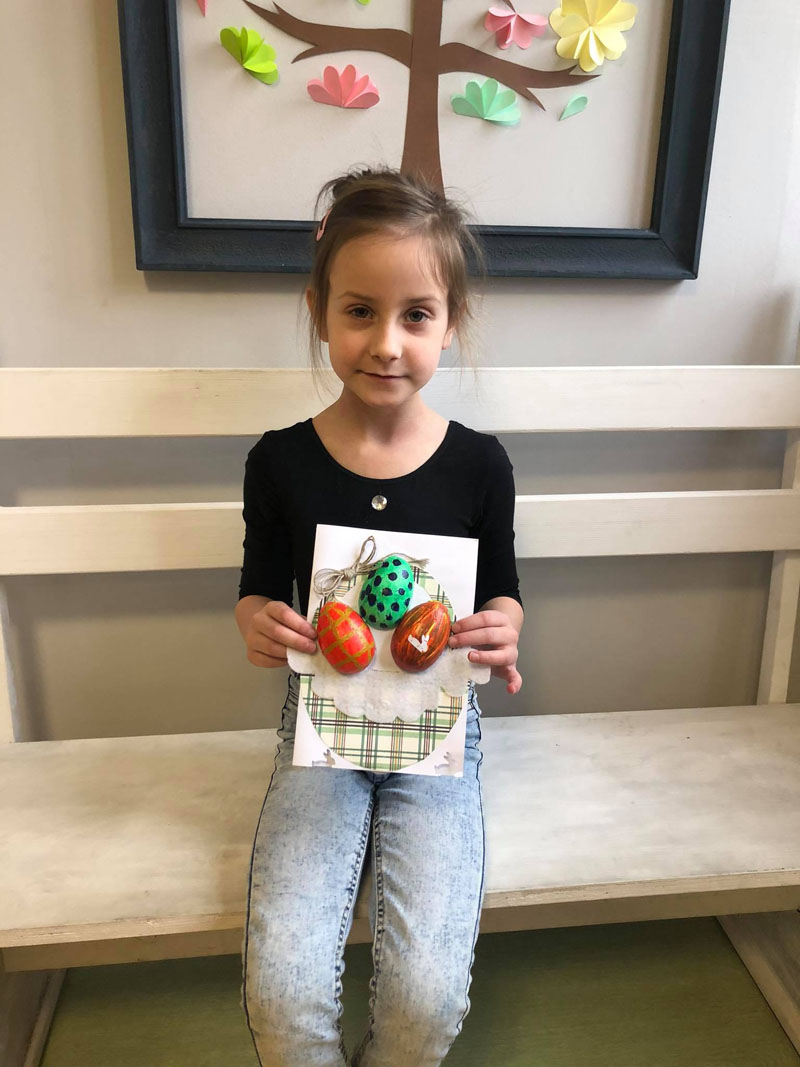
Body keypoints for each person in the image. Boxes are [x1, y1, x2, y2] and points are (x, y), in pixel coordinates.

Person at [235, 167, 524, 1067]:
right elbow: (256, 587)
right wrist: (259, 620)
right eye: (360, 311)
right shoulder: (279, 462)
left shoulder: (480, 466)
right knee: (282, 988)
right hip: (321, 728)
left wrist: (503, 627)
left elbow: (503, 591)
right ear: (319, 311)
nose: (387, 343)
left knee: (427, 998)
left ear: (450, 322)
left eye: (416, 315)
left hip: (437, 736)